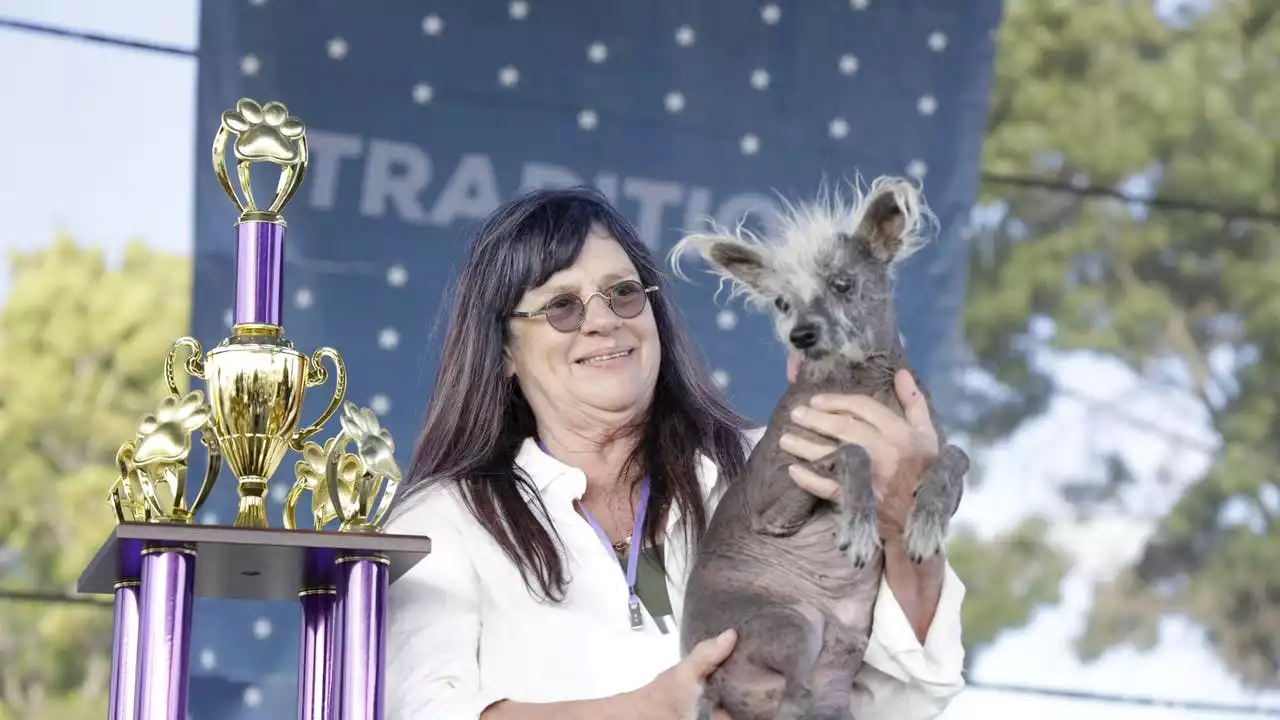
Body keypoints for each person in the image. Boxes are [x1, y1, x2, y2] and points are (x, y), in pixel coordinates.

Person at [384, 186, 967, 720]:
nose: (603, 322)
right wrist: (649, 709)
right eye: (562, 307)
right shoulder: (444, 523)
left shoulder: (774, 457)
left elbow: (902, 693)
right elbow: (419, 712)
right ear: (504, 350)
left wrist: (903, 521)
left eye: (623, 293)